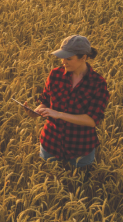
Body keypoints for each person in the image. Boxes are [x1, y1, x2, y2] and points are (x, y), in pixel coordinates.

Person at [22, 35, 110, 169]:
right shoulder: (55, 75)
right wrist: (37, 111)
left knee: (78, 187)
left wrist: (59, 114)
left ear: (84, 58)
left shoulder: (98, 83)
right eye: (62, 57)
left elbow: (92, 120)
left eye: (68, 58)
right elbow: (45, 100)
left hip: (80, 148)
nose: (63, 62)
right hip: (51, 143)